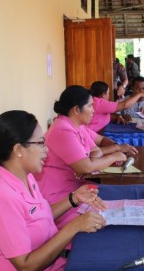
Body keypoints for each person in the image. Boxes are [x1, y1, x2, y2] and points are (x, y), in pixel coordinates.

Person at [0, 110, 108, 271]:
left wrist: (73, 199)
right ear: (18, 149)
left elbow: (38, 218)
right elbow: (26, 267)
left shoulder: (26, 178)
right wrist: (73, 227)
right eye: (40, 143)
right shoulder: (0, 197)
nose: (46, 150)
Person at [34, 86, 132, 227]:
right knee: (103, 220)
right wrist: (115, 156)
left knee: (114, 205)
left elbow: (95, 152)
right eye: (90, 106)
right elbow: (86, 166)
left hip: (76, 190)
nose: (94, 110)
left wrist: (89, 162)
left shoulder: (78, 126)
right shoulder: (62, 130)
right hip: (59, 200)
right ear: (76, 109)